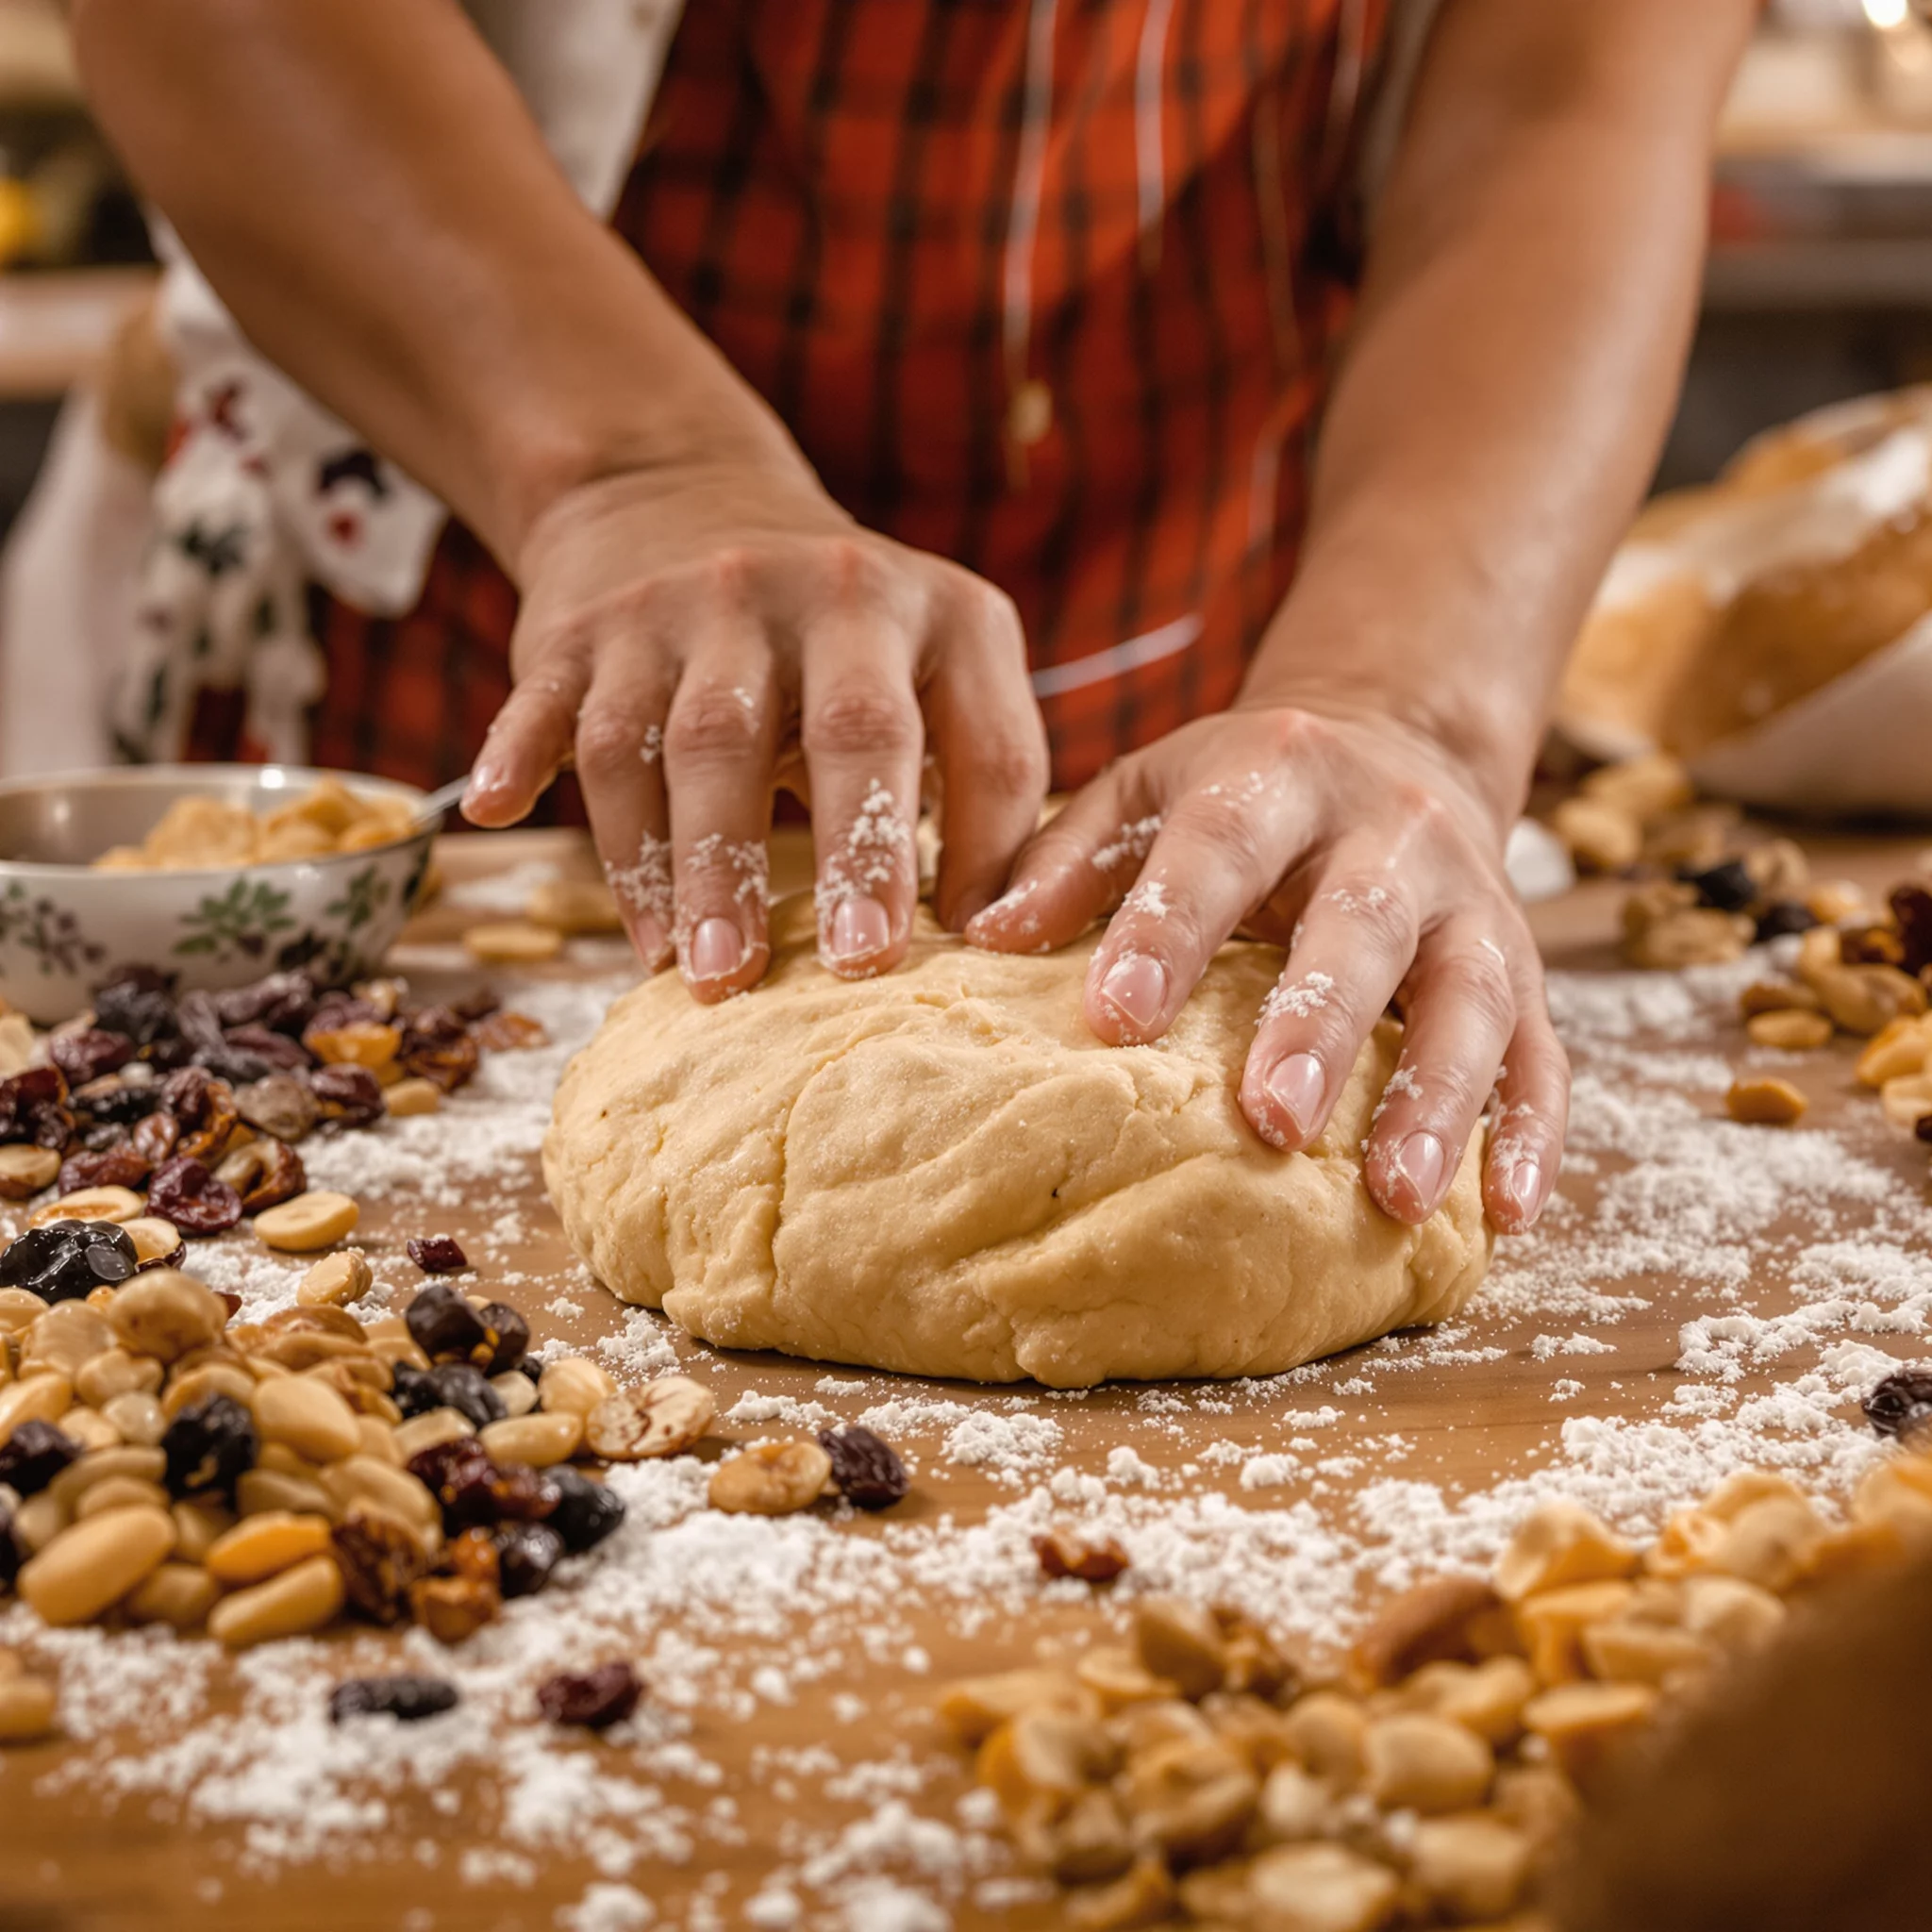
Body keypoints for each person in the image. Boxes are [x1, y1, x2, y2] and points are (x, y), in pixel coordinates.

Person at [68, 0, 1757, 1239]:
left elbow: (1572, 97)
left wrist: (1408, 705)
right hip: (485, 562)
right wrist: (633, 469)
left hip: (1226, 608)